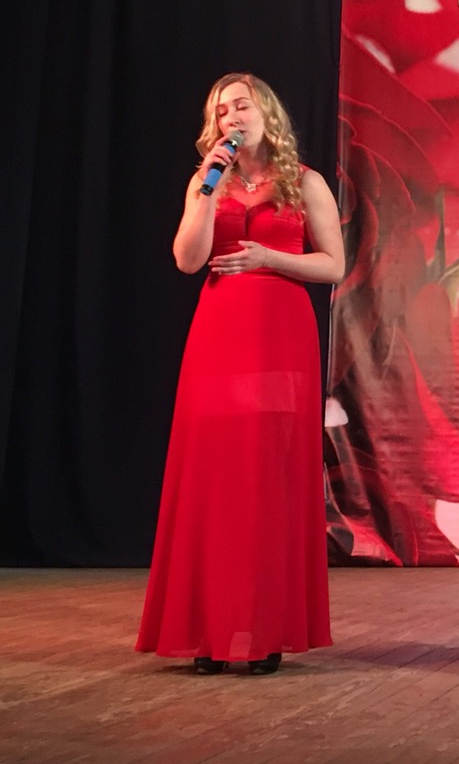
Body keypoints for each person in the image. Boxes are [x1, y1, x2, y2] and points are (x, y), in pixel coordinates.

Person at [136, 73, 344, 674]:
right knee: (215, 477)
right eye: (221, 110)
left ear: (266, 113)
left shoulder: (304, 181)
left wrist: (267, 258)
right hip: (219, 337)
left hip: (280, 339)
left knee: (268, 476)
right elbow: (187, 259)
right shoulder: (207, 181)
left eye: (242, 105)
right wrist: (208, 190)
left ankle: (265, 628)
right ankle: (206, 632)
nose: (231, 116)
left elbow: (333, 266)